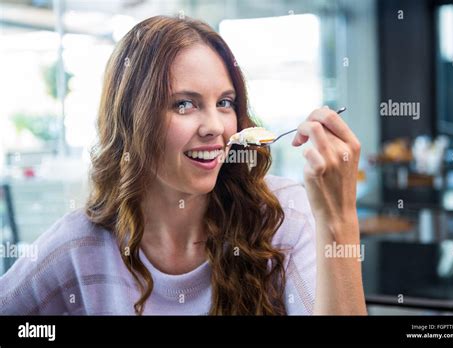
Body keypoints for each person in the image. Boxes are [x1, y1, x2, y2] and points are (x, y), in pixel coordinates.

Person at [0, 15, 366, 315]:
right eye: (184, 105)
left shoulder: (283, 214)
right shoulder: (80, 244)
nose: (215, 128)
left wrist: (339, 217)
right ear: (132, 120)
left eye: (225, 102)